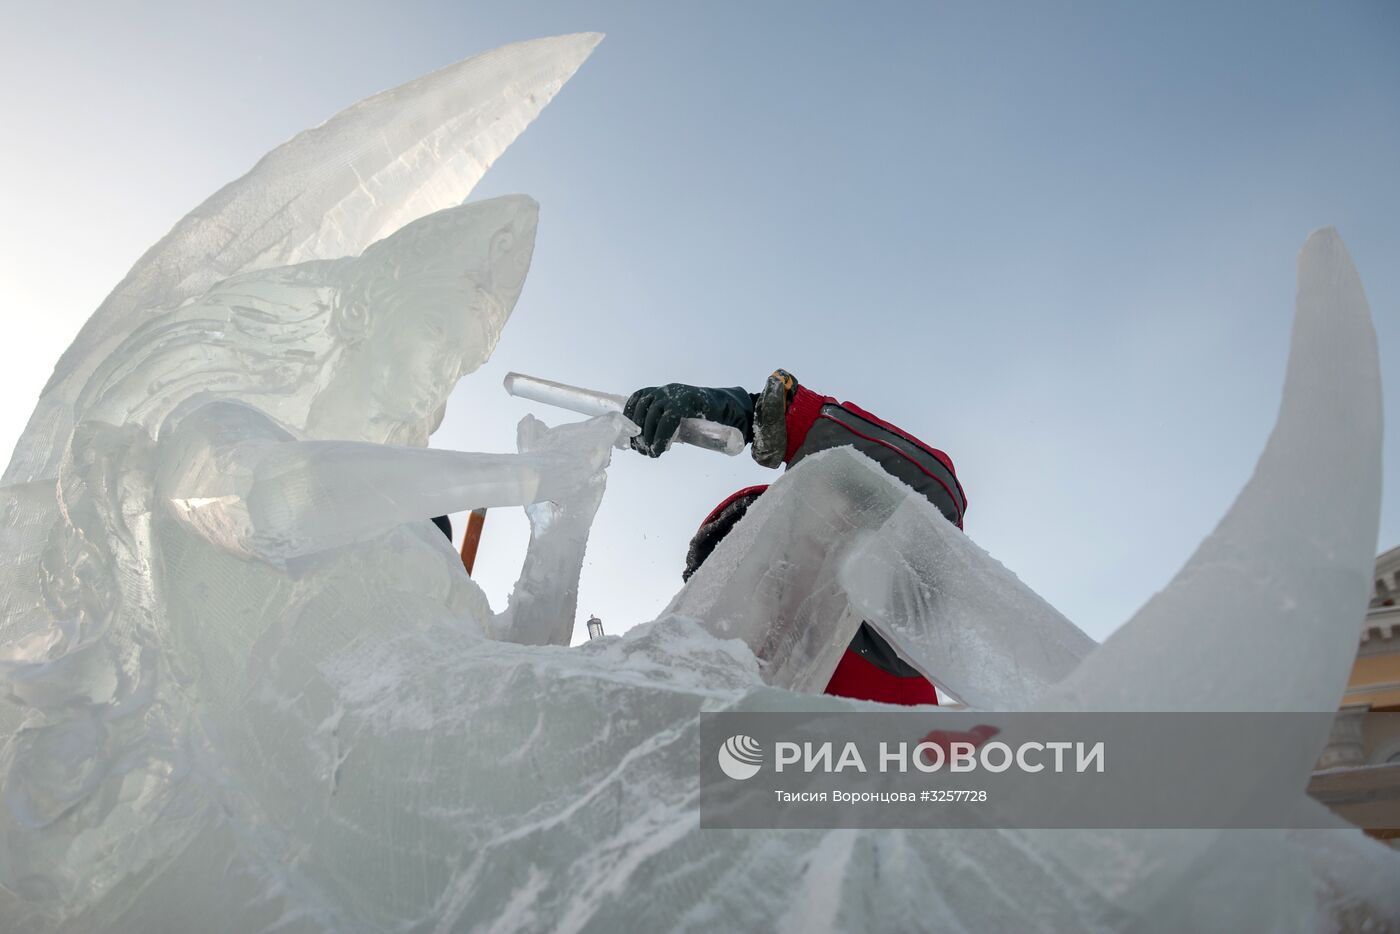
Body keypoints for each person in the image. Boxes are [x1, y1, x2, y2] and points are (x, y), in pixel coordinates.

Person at [624, 369, 967, 706]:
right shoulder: (698, 687)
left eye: (774, 543)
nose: (759, 573)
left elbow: (932, 497)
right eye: (733, 566)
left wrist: (765, 417)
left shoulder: (882, 632)